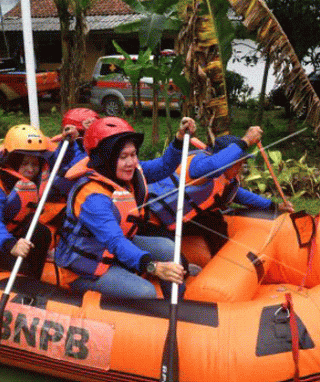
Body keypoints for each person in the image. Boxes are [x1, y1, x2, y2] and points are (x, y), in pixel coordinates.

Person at [55, 116, 194, 299]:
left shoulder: (128, 172)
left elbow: (163, 167)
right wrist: (153, 266)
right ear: (106, 158)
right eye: (123, 157)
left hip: (114, 251)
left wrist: (178, 140)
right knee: (145, 292)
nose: (131, 162)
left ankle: (177, 304)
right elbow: (115, 242)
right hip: (86, 267)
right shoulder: (92, 197)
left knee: (167, 248)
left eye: (133, 154)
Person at [145, 126, 294, 262]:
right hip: (152, 221)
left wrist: (274, 206)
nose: (240, 168)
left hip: (177, 219)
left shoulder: (224, 179)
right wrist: (246, 141)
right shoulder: (199, 164)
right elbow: (214, 165)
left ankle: (222, 262)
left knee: (215, 220)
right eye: (238, 163)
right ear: (226, 159)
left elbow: (241, 195)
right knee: (180, 265)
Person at [0, 124, 81, 279]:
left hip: (10, 228)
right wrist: (10, 244)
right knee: (21, 266)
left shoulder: (35, 175)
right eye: (25, 163)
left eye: (34, 164)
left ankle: (33, 279)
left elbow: (59, 159)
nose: (31, 169)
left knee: (41, 232)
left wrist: (68, 143)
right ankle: (24, 278)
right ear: (14, 161)